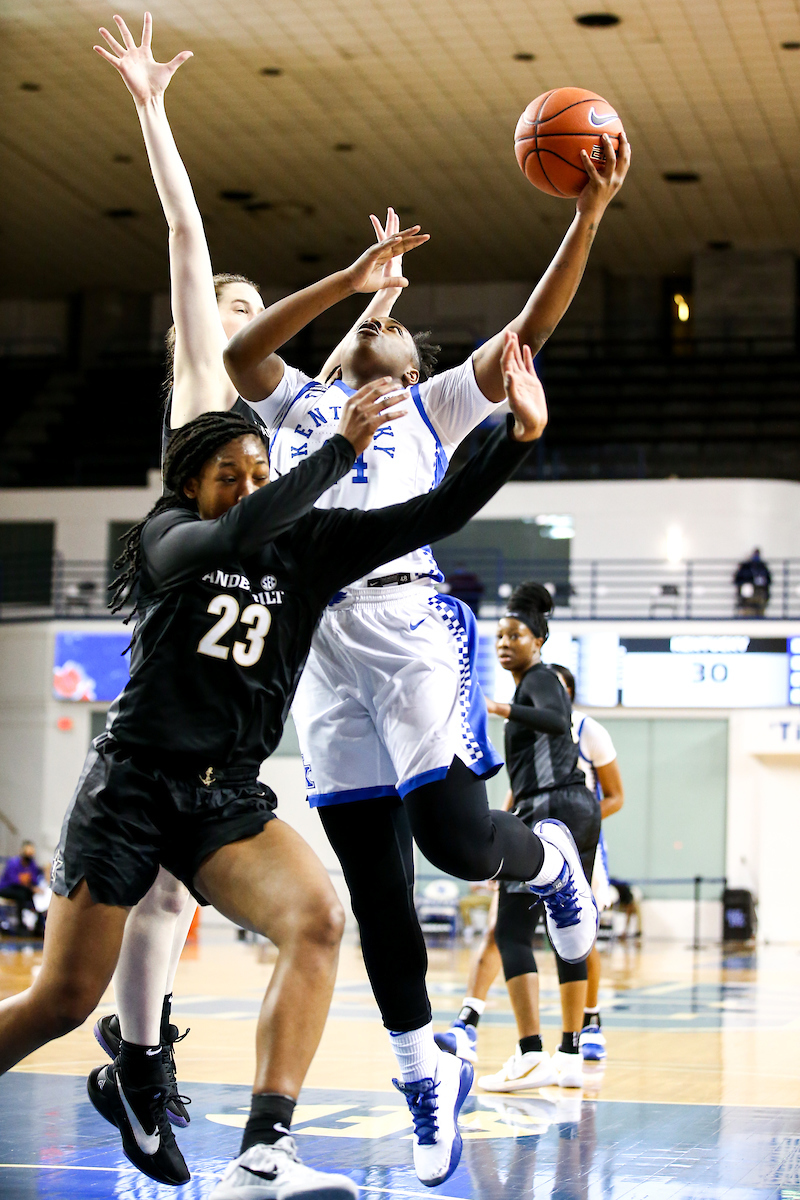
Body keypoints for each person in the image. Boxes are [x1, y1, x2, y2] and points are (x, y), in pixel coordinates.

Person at [0, 332, 569, 1197]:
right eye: (230, 472)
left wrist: (515, 439)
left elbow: (432, 516)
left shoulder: (307, 546)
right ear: (190, 485)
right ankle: (139, 1074)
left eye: (260, 471)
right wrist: (338, 448)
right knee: (64, 1001)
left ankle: (264, 1152)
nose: (249, 485)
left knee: (319, 920)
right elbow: (237, 530)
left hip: (224, 797)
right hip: (130, 788)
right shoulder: (169, 537)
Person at [223, 106, 628, 1172]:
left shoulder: (434, 407)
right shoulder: (296, 403)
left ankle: (546, 864)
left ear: (414, 365)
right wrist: (354, 282)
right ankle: (421, 1074)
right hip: (318, 650)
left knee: (454, 846)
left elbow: (530, 330)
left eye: (393, 338)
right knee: (373, 886)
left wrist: (586, 211)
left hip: (408, 627)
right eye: (364, 333)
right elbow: (237, 347)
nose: (375, 343)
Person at [88, 11, 390, 1135]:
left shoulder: (262, 428)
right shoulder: (197, 389)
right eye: (225, 305)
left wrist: (372, 300)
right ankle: (139, 1055)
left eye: (243, 309)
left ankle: (136, 1060)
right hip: (184, 611)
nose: (232, 313)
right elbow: (182, 231)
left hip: (243, 624)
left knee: (170, 887)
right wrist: (154, 109)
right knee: (153, 885)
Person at [452, 584, 600, 1093]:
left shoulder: (538, 680)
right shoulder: (532, 683)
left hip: (551, 810)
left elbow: (559, 723)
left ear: (538, 640)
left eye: (515, 634)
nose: (503, 642)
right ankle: (571, 1055)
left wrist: (499, 709)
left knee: (513, 931)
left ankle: (532, 1054)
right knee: (566, 930)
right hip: (571, 808)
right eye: (498, 635)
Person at [550, 664, 624, 1064]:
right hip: (540, 843)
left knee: (584, 934)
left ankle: (591, 1023)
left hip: (583, 845)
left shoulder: (589, 731)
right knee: (506, 930)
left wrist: (580, 817)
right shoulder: (532, 733)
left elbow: (615, 796)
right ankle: (471, 1021)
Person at [0, 841, 46, 935]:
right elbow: (14, 880)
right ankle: (19, 924)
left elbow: (34, 879)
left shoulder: (32, 864)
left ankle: (39, 925)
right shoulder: (13, 862)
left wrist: (34, 888)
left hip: (24, 889)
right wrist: (31, 887)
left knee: (36, 896)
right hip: (7, 888)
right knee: (22, 895)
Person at [734, 548, 771, 617]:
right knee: (748, 612)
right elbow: (738, 579)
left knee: (760, 613)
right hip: (748, 595)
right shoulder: (746, 567)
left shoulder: (762, 567)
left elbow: (768, 580)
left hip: (760, 593)